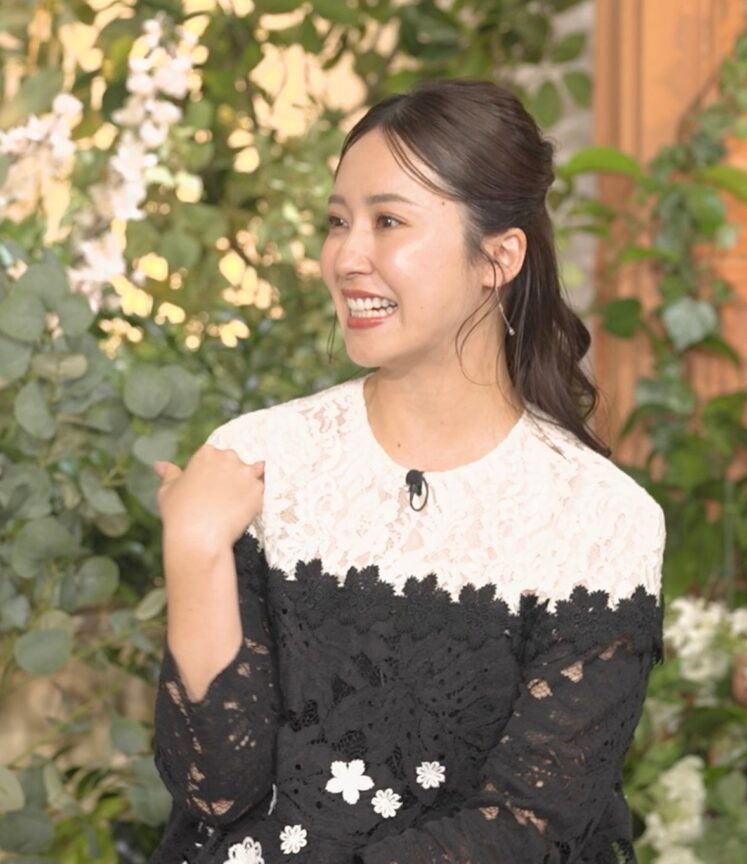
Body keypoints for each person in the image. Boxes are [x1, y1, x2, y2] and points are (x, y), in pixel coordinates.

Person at [147, 78, 666, 864]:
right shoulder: (253, 460)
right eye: (337, 222)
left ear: (498, 257)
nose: (346, 257)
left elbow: (528, 828)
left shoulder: (598, 519)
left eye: (387, 222)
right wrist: (192, 549)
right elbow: (215, 792)